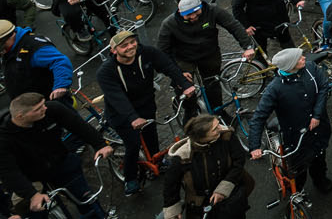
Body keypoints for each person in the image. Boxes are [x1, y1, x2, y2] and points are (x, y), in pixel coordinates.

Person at [97, 31, 197, 195]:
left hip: (146, 104)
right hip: (121, 113)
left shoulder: (147, 52)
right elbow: (117, 98)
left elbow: (167, 66)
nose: (130, 47)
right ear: (114, 51)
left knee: (151, 134)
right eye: (124, 45)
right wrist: (132, 118)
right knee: (133, 143)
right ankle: (130, 178)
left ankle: (158, 162)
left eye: (132, 42)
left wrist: (184, 84)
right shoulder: (106, 72)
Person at [1, 91, 114, 219]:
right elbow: (8, 171)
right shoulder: (4, 137)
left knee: (86, 200)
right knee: (34, 211)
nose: (45, 108)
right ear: (20, 116)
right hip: (31, 177)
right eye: (38, 109)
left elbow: (78, 125)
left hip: (61, 162)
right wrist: (31, 195)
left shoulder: (52, 109)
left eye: (43, 104)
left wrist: (100, 144)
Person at [246, 48, 332, 194]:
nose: (304, 58)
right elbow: (259, 117)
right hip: (297, 137)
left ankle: (320, 179)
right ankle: (296, 190)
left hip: (319, 129)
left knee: (319, 157)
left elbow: (323, 86)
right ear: (290, 65)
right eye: (299, 58)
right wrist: (254, 146)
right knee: (299, 167)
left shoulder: (311, 68)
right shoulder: (274, 89)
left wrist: (317, 115)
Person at [158, 0, 257, 115]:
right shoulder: (169, 24)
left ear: (201, 7)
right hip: (184, 58)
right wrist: (178, 73)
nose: (193, 17)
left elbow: (233, 25)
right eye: (188, 15)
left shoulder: (212, 10)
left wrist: (247, 47)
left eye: (196, 13)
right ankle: (191, 114)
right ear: (180, 12)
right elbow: (162, 52)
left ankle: (218, 112)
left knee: (213, 85)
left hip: (209, 54)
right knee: (185, 88)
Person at [160, 113, 254, 219]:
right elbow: (171, 185)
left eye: (218, 124)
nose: (220, 128)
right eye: (215, 129)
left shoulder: (227, 137)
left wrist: (224, 188)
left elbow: (239, 161)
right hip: (200, 208)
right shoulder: (183, 156)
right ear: (202, 137)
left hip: (232, 202)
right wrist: (173, 210)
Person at [0, 18, 72, 100]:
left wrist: (60, 86)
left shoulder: (33, 46)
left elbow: (60, 61)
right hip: (26, 103)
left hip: (47, 102)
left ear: (5, 40)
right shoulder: (9, 50)